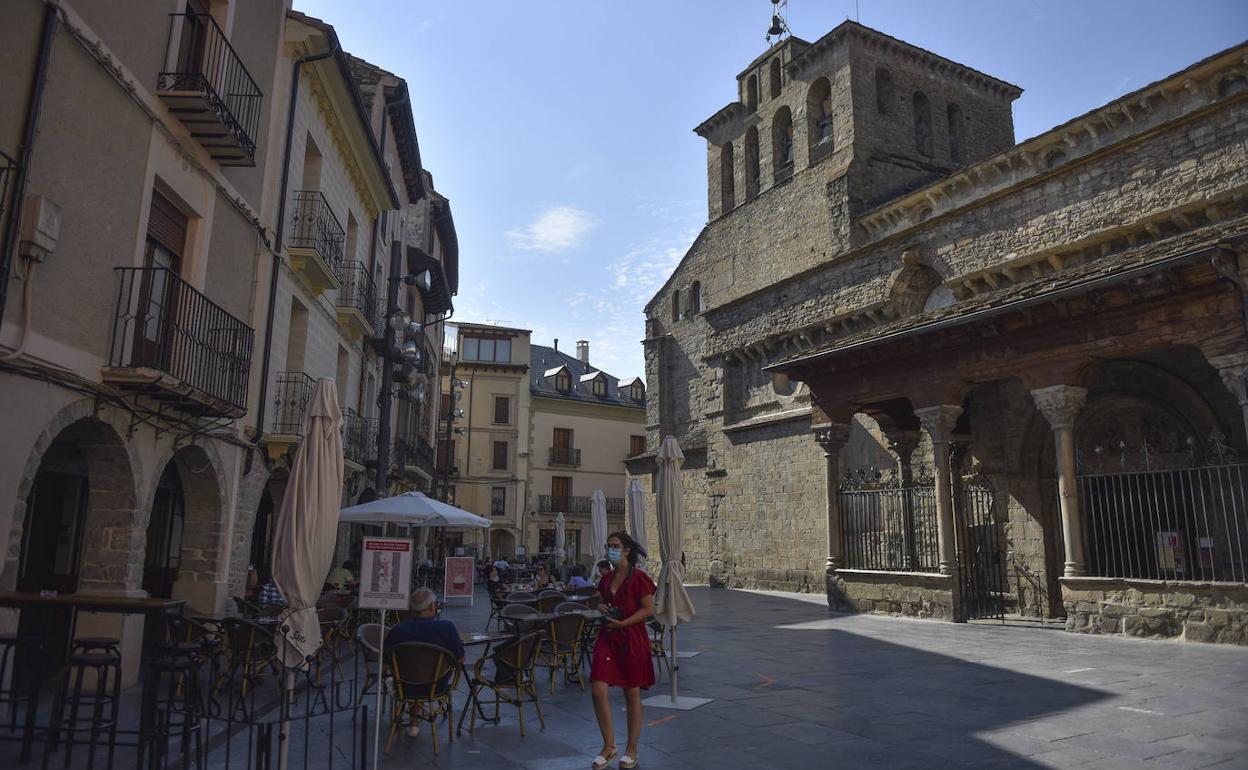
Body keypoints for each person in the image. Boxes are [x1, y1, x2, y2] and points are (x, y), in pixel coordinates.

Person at [589, 531, 654, 770]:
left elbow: (648, 609)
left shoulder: (639, 578)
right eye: (608, 546)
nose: (610, 549)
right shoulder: (606, 579)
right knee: (598, 688)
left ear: (627, 550)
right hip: (608, 635)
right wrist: (603, 606)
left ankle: (632, 749)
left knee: (631, 693)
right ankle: (609, 746)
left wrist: (624, 622)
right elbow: (602, 602)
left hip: (631, 637)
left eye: (615, 545)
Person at [385, 587, 464, 737]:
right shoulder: (446, 628)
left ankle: (413, 720)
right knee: (425, 673)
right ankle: (414, 721)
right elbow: (460, 658)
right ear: (433, 607)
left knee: (413, 673)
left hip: (405, 685)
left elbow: (386, 657)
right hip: (436, 685)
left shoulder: (397, 630)